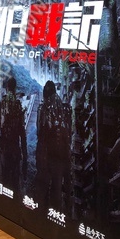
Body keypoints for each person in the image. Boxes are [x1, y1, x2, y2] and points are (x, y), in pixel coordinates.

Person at [36, 80, 72, 211]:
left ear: (45, 95)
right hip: (62, 157)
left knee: (43, 190)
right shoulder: (66, 108)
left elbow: (40, 132)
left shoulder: (43, 109)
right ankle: (56, 216)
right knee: (57, 191)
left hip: (47, 156)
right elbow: (69, 134)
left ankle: (42, 216)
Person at [0, 77, 27, 192]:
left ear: (7, 88)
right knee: (14, 183)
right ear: (15, 88)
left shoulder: (2, 103)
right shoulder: (18, 105)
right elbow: (22, 134)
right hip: (15, 148)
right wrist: (25, 158)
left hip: (4, 147)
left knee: (3, 179)